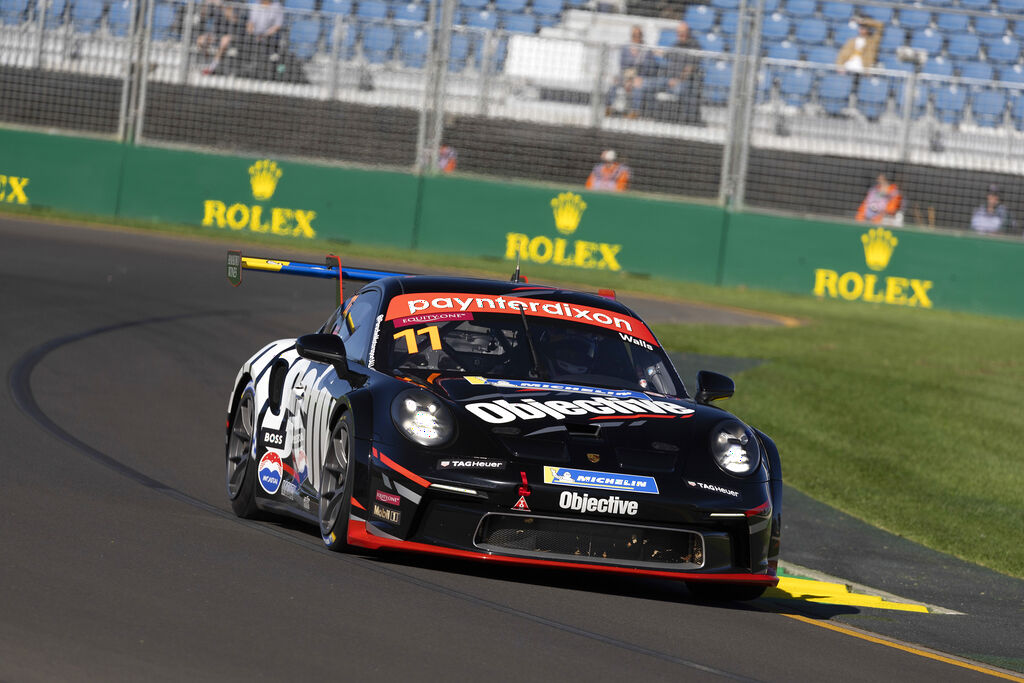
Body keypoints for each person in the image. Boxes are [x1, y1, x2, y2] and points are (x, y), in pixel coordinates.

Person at [651, 21, 703, 124]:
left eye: (683, 33)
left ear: (688, 33)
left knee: (679, 89)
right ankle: (648, 116)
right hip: (669, 79)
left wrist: (678, 80)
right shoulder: (675, 45)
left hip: (684, 82)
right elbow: (665, 54)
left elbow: (690, 69)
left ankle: (678, 120)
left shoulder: (694, 46)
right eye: (679, 33)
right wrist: (649, 51)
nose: (681, 35)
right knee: (648, 84)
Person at [606, 25, 660, 118]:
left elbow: (650, 68)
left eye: (639, 35)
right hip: (626, 76)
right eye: (634, 35)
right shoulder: (625, 48)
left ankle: (635, 112)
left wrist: (636, 78)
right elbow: (622, 65)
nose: (636, 37)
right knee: (614, 83)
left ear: (642, 36)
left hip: (641, 78)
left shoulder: (646, 50)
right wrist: (628, 79)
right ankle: (608, 107)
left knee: (638, 86)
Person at [199, 0, 245, 76]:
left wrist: (221, 6)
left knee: (224, 41)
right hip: (216, 34)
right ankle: (207, 63)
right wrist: (206, 4)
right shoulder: (218, 3)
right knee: (201, 40)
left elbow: (234, 19)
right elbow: (203, 15)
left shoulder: (238, 2)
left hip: (233, 34)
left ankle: (211, 68)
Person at [241, 0, 284, 79]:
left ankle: (276, 75)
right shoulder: (255, 5)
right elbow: (250, 23)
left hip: (270, 37)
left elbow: (277, 26)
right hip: (255, 35)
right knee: (244, 41)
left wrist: (264, 35)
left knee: (275, 51)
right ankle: (245, 69)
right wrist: (252, 33)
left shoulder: (277, 6)